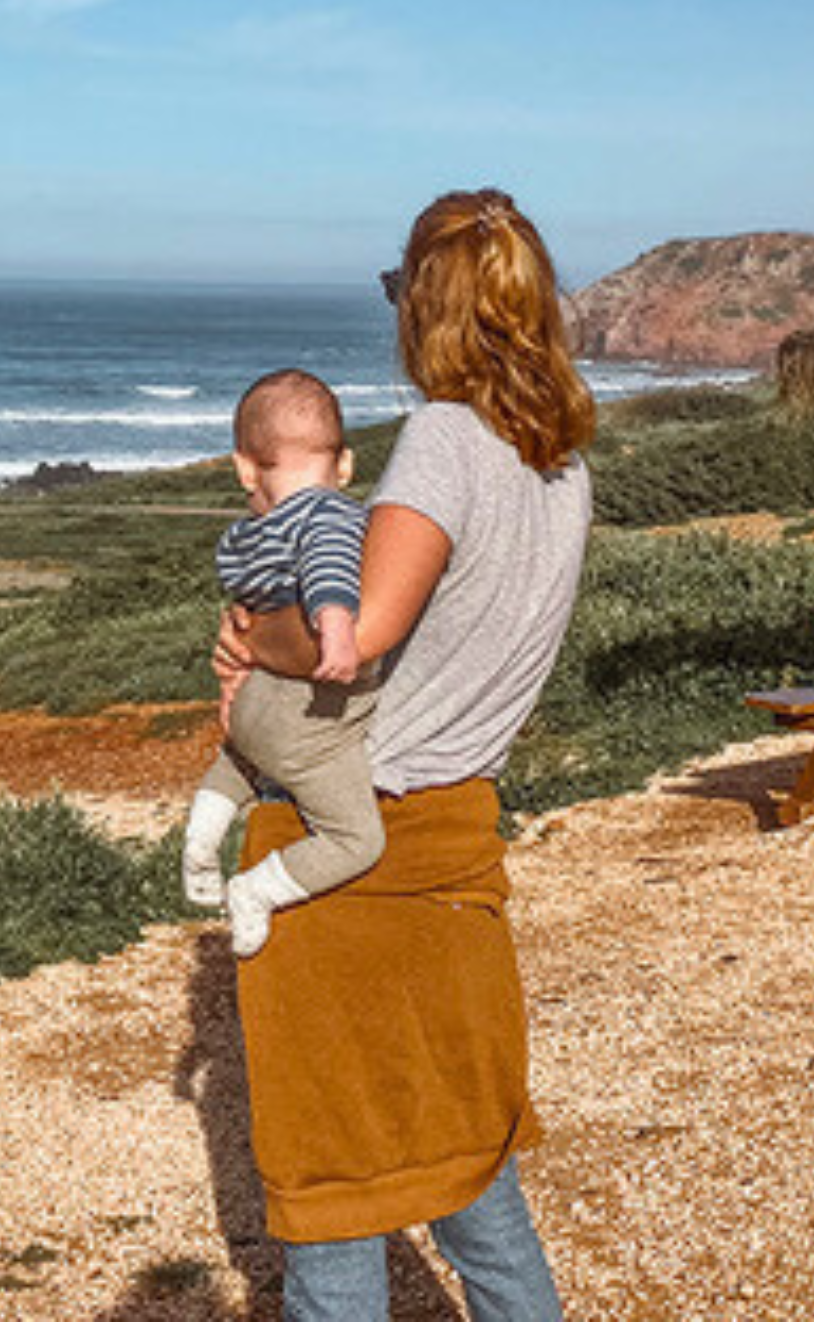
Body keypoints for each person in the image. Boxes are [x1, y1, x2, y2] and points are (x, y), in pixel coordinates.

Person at [213, 186, 595, 1322]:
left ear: (426, 305)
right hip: (460, 836)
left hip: (351, 846)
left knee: (335, 1200)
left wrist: (250, 634)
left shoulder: (441, 437)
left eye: (398, 290)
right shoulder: (560, 463)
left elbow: (352, 638)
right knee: (476, 1181)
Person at [182, 368, 384, 957]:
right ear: (345, 465)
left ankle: (202, 835)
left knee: (244, 761)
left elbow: (246, 608)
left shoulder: (243, 537)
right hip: (305, 712)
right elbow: (330, 567)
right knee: (356, 839)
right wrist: (339, 628)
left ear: (246, 469)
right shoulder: (331, 514)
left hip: (253, 705)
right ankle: (255, 891)